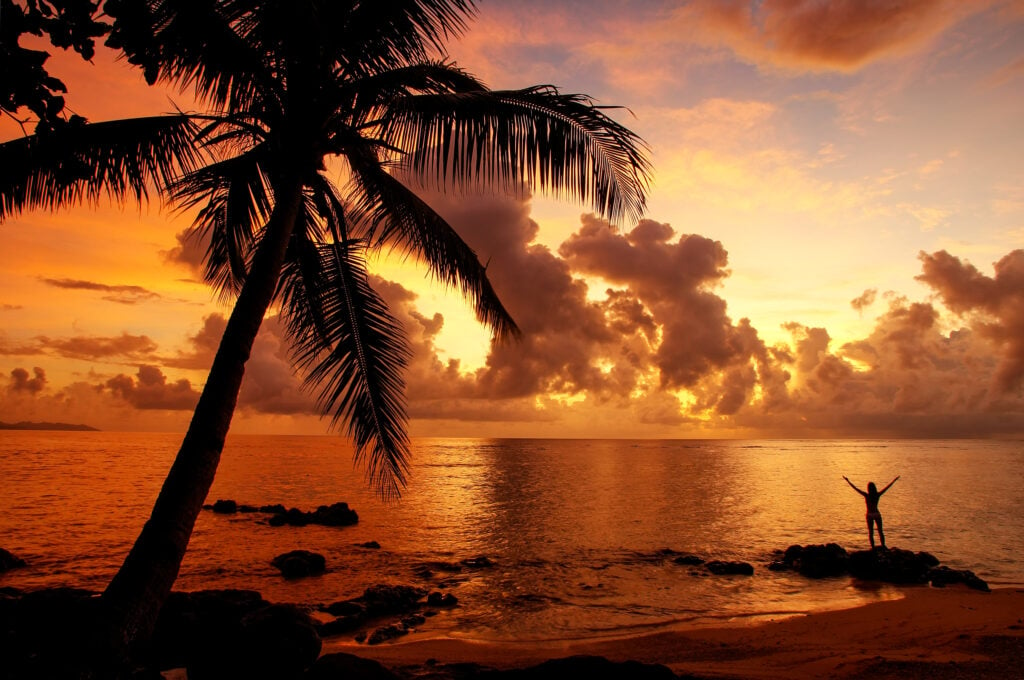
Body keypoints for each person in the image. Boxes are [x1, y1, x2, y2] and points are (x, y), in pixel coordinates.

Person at [843, 475, 899, 549]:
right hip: (876, 514)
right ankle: (883, 546)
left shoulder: (866, 495)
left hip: (869, 514)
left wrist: (848, 481)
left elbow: (856, 489)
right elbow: (887, 487)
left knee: (871, 532)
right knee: (880, 531)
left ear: (868, 489)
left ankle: (873, 548)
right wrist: (894, 480)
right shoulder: (877, 495)